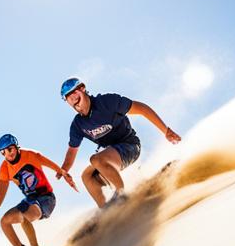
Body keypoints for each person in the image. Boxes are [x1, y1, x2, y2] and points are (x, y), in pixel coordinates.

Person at [58, 77, 181, 207]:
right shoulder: (78, 124)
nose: (73, 99)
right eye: (69, 98)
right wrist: (63, 171)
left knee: (96, 160)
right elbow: (72, 151)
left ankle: (122, 196)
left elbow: (141, 109)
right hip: (112, 157)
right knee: (87, 176)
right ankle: (105, 211)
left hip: (130, 146)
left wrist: (166, 130)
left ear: (83, 89)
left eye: (75, 93)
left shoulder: (107, 102)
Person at [0, 133, 77, 246]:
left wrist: (63, 173)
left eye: (10, 149)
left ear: (16, 147)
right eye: (3, 152)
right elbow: (2, 190)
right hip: (29, 200)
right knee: (4, 221)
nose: (8, 154)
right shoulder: (4, 168)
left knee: (24, 217)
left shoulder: (30, 155)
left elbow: (51, 164)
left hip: (46, 199)